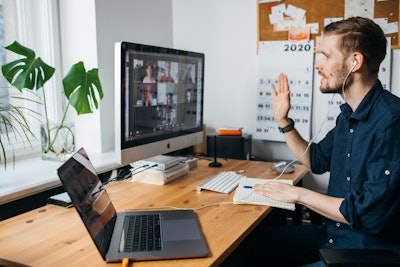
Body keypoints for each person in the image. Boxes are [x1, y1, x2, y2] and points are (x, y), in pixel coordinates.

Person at [224, 17, 400, 267]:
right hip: (333, 237)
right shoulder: (348, 116)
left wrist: (297, 194)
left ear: (355, 62)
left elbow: (368, 214)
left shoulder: (392, 121)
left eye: (326, 56)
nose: (318, 65)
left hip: (366, 253)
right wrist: (283, 120)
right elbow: (314, 159)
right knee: (238, 250)